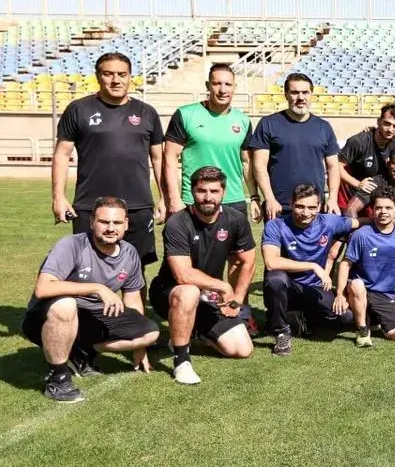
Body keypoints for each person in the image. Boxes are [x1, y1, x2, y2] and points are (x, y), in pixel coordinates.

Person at [22, 196, 159, 402]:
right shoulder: (72, 245)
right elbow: (43, 288)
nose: (110, 228)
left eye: (117, 222)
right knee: (66, 305)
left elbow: (132, 300)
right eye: (104, 222)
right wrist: (97, 288)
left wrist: (138, 349)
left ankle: (81, 352)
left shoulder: (130, 253)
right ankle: (58, 380)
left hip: (91, 316)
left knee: (150, 333)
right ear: (92, 222)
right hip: (46, 317)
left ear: (126, 224)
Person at [51, 52, 165, 273]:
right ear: (97, 76)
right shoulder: (78, 109)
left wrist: (164, 198)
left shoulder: (147, 112)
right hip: (90, 206)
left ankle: (134, 300)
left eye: (122, 74)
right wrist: (58, 197)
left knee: (136, 269)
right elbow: (62, 154)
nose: (116, 80)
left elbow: (158, 158)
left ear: (130, 77)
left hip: (137, 206)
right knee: (86, 269)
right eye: (108, 74)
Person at [149, 167, 256, 385]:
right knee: (189, 292)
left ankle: (196, 331)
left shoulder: (235, 219)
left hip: (208, 297)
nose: (208, 197)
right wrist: (223, 286)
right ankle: (181, 360)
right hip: (170, 293)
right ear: (192, 191)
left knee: (241, 349)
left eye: (214, 191)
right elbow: (183, 275)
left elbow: (247, 261)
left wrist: (237, 298)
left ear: (223, 192)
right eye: (202, 191)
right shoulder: (178, 223)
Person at [260, 184, 359, 356]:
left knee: (345, 317)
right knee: (275, 278)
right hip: (287, 287)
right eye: (300, 206)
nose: (306, 212)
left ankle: (297, 318)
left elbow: (359, 222)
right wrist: (313, 266)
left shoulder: (329, 222)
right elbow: (271, 262)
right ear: (291, 204)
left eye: (312, 207)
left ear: (319, 206)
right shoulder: (276, 225)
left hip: (314, 287)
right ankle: (281, 332)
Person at [337, 186, 395, 347]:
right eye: (379, 208)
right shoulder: (361, 234)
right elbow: (345, 264)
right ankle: (362, 330)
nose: (383, 212)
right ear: (373, 211)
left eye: (388, 208)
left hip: (385, 294)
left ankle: (373, 319)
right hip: (361, 289)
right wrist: (340, 293)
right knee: (357, 284)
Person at [163, 62, 257, 218]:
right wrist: (174, 199)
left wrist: (254, 197)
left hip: (234, 202)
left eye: (228, 84)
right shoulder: (185, 114)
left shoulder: (243, 121)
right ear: (208, 85)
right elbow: (170, 157)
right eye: (217, 83)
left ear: (234, 87)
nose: (223, 90)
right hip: (195, 200)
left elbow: (247, 163)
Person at [249, 72, 341, 219]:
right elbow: (259, 166)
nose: (300, 97)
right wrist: (269, 199)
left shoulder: (324, 127)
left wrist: (332, 198)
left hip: (314, 208)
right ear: (286, 95)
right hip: (278, 208)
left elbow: (333, 167)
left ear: (311, 94)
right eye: (294, 92)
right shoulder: (268, 124)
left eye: (305, 92)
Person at [337, 103, 395, 209]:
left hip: (377, 197)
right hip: (352, 195)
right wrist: (357, 184)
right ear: (379, 121)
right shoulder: (359, 141)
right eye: (387, 124)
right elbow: (337, 166)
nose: (390, 129)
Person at [343, 149, 395, 226]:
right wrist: (358, 232)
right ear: (388, 164)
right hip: (374, 230)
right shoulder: (374, 184)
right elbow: (350, 210)